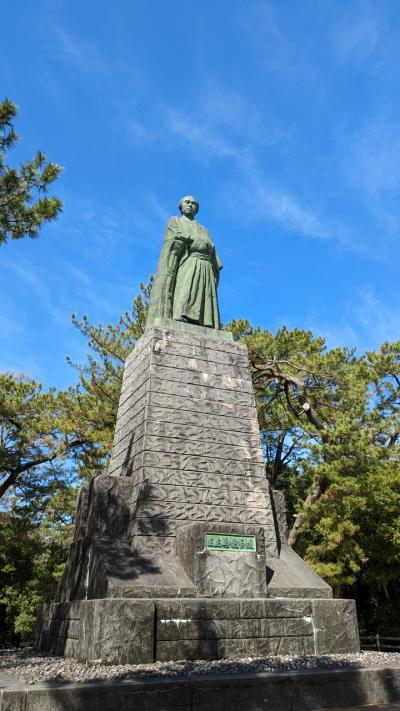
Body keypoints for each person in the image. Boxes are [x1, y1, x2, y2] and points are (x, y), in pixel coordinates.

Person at [146, 195, 222, 330]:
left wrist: (203, 243)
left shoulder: (204, 229)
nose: (190, 205)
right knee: (185, 289)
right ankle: (181, 315)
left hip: (205, 265)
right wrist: (191, 239)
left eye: (194, 204)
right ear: (180, 206)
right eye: (187, 202)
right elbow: (173, 239)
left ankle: (204, 321)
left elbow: (213, 249)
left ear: (197, 209)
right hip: (188, 261)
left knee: (205, 296)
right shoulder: (175, 221)